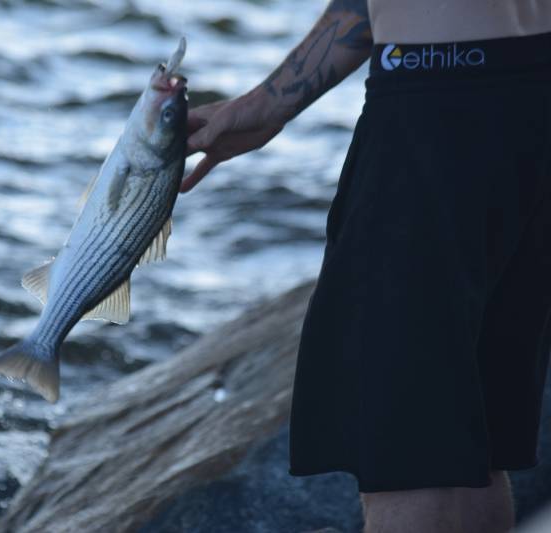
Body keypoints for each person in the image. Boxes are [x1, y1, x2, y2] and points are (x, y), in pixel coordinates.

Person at [182, 1, 551, 531]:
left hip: (438, 110)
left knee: (407, 455)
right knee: (469, 456)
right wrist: (273, 100)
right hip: (523, 84)